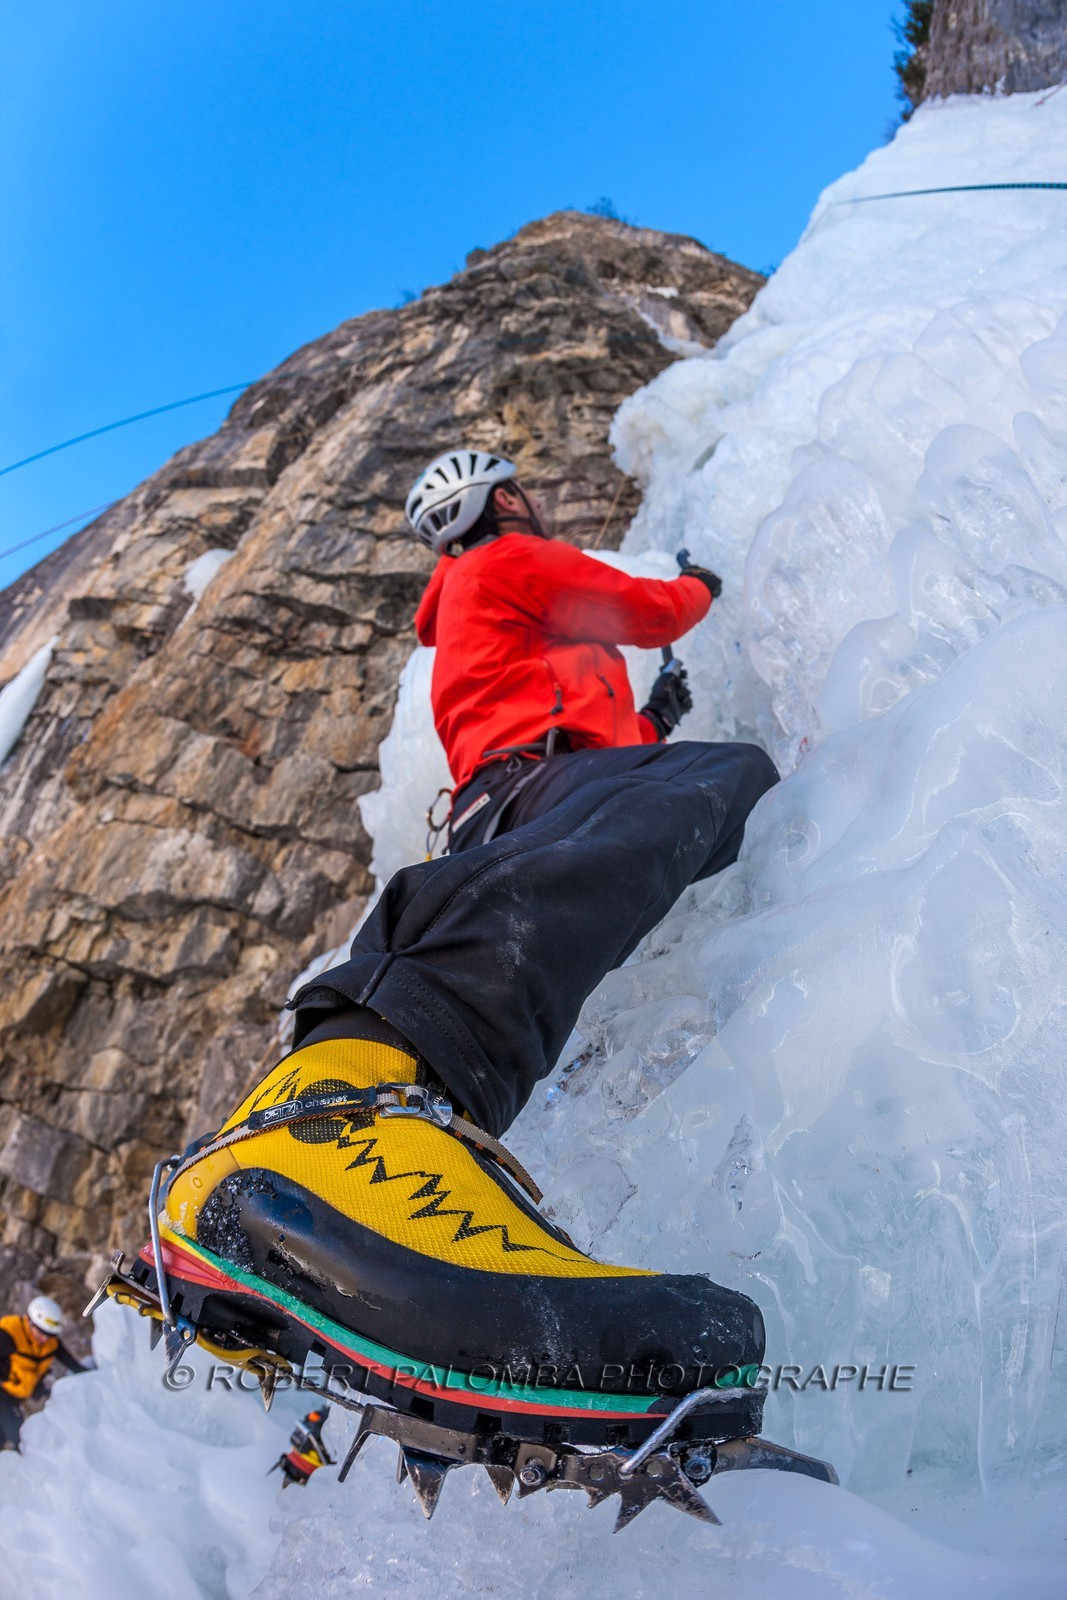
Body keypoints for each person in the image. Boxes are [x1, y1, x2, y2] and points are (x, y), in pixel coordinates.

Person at [156, 447, 788, 1513]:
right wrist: (702, 587)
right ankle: (325, 1123)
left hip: (522, 787)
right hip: (535, 784)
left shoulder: (476, 609)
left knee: (665, 793)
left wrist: (648, 724)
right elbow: (643, 607)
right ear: (501, 503)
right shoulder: (504, 563)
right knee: (726, 777)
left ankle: (386, 1155)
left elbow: (576, 708)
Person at [0, 1296, 90, 1451]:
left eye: (49, 1335)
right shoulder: (9, 1334)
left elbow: (71, 1363)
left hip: (20, 1395)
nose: (44, 1338)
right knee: (18, 1436)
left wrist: (94, 1375)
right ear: (30, 1321)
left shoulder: (50, 1343)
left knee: (5, 1436)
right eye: (41, 1333)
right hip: (3, 1393)